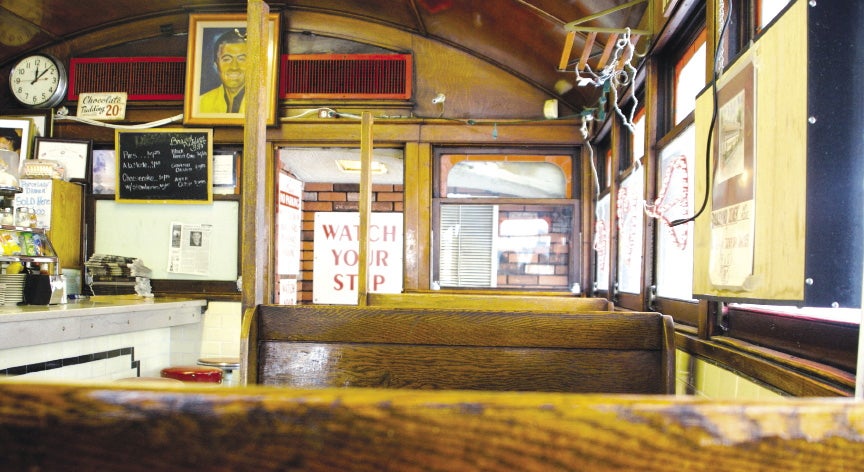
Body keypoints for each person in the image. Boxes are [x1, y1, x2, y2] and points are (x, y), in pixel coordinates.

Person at [199, 30, 247, 114]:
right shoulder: (202, 103)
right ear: (216, 65)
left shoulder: (261, 102)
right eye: (227, 59)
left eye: (241, 59)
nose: (234, 67)